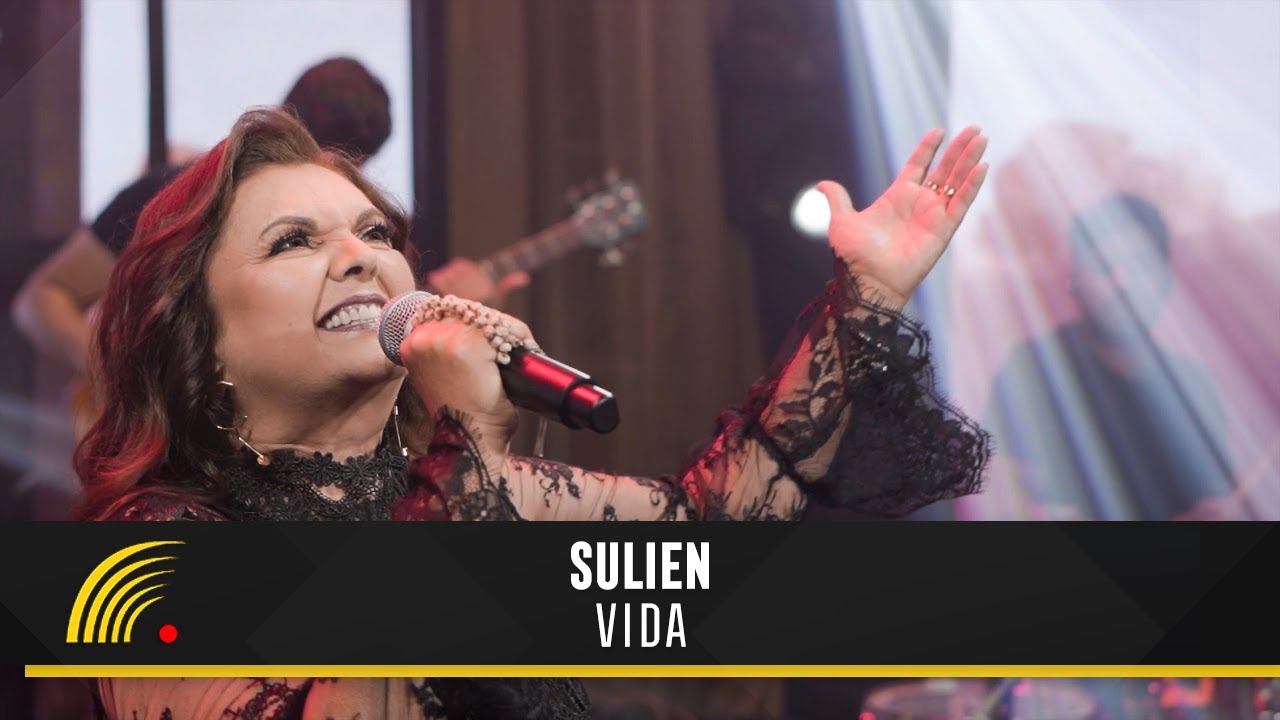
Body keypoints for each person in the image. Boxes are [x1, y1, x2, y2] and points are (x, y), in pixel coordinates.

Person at [80, 108, 990, 718]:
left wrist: (864, 298)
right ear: (199, 341)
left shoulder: (472, 490)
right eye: (293, 242)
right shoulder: (151, 549)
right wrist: (467, 444)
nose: (362, 258)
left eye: (376, 233)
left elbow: (714, 533)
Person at [10, 57, 526, 379]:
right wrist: (122, 380)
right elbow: (41, 299)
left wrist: (454, 327)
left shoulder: (364, 238)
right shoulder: (168, 195)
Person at [984, 193, 1232, 519]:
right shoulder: (1031, 371)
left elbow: (1215, 500)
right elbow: (1001, 497)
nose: (1122, 282)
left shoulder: (1193, 385)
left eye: (1139, 265)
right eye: (1103, 265)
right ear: (1074, 279)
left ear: (1165, 280)